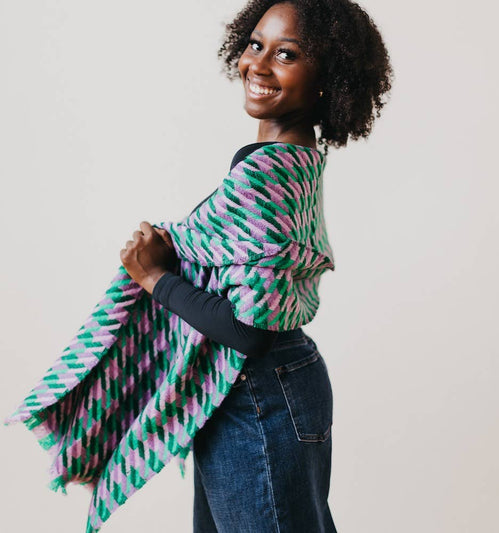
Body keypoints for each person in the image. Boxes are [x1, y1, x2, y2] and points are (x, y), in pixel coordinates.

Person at [119, 1, 393, 531]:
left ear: (325, 80)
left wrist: (154, 278)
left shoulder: (269, 174)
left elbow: (249, 328)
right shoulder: (287, 157)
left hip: (259, 391)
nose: (258, 64)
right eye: (255, 44)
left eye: (286, 54)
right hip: (263, 389)